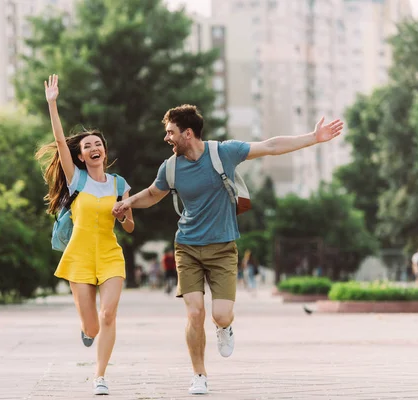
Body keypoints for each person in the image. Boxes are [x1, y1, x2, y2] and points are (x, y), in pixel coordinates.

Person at [112, 104, 343, 394]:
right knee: (194, 312)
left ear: (187, 133)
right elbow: (153, 194)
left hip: (222, 248)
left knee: (220, 315)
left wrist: (313, 137)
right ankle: (199, 374)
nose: (166, 138)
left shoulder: (224, 153)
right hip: (187, 247)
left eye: (170, 132)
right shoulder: (170, 167)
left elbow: (271, 146)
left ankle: (224, 328)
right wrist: (129, 203)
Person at [36, 74, 134, 396]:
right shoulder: (76, 180)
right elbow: (61, 142)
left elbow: (130, 226)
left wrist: (125, 215)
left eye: (98, 145)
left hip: (109, 254)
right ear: (81, 156)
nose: (93, 148)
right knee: (92, 325)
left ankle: (100, 375)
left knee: (109, 314)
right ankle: (86, 331)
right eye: (87, 146)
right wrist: (52, 103)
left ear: (105, 152)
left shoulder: (120, 185)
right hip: (78, 255)